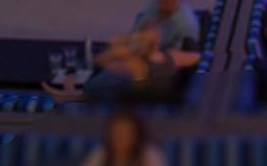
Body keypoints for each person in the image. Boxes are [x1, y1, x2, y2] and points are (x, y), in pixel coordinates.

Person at [46, 22, 194, 106]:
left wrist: (126, 42)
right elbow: (199, 56)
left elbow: (100, 61)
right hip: (153, 101)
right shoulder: (173, 57)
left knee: (102, 83)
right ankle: (70, 95)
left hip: (128, 106)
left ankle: (69, 95)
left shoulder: (135, 66)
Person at [134, 0, 200, 52]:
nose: (160, 6)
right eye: (159, 1)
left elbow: (179, 51)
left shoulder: (187, 23)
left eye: (165, 2)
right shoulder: (155, 3)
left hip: (170, 52)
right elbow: (142, 22)